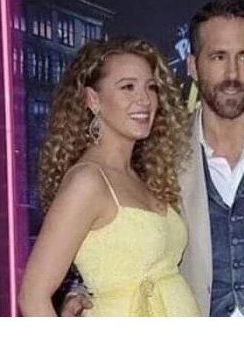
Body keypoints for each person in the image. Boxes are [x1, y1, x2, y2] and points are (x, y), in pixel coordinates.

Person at [63, 0, 244, 317]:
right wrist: (84, 288)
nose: (232, 73)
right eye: (218, 57)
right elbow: (131, 240)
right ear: (193, 65)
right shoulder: (163, 151)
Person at [18, 37, 201, 316]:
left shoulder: (141, 176)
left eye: (151, 87)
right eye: (128, 87)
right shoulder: (87, 181)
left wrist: (79, 290)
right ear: (93, 100)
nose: (145, 99)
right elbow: (32, 296)